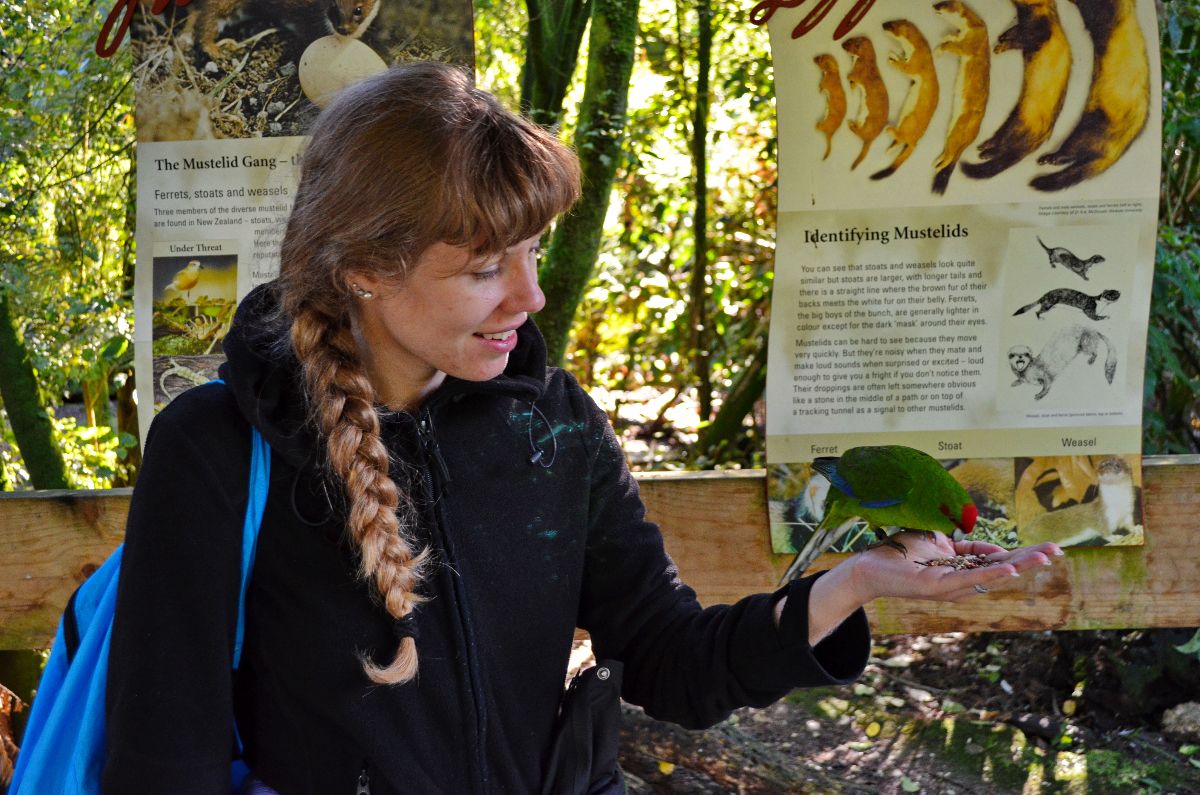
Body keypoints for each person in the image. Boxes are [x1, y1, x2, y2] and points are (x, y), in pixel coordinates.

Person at [102, 61, 1062, 794]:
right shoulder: (217, 449)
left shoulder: (554, 426)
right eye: (485, 268)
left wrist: (850, 584)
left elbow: (672, 659)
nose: (529, 295)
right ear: (363, 266)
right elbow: (162, 762)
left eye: (532, 250)